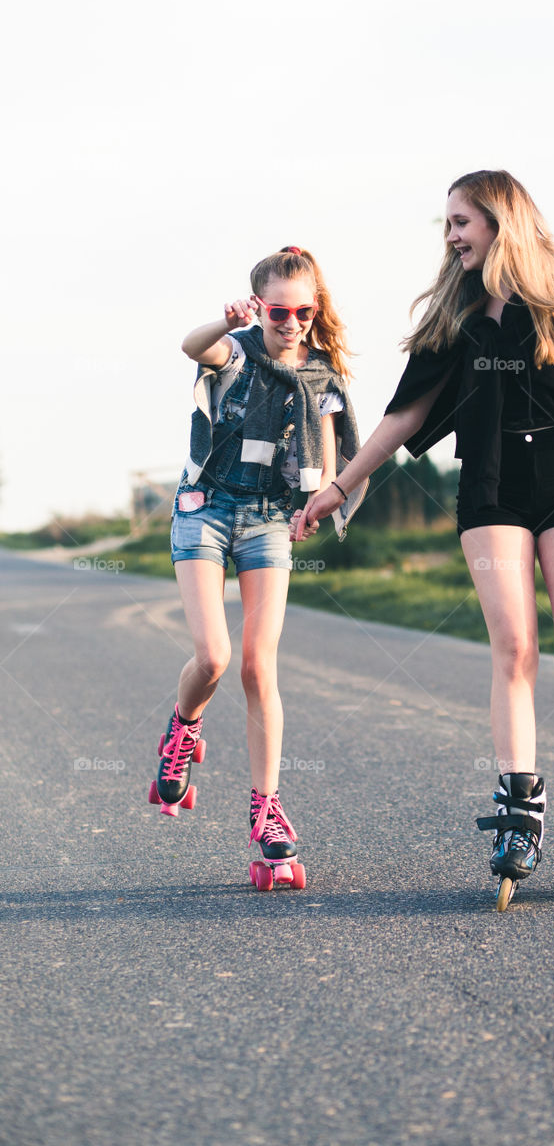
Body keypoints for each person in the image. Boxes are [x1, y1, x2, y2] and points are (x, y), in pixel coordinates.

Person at [301, 170, 554, 907]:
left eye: (461, 221)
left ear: (502, 219)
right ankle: (519, 813)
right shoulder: (458, 316)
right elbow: (403, 416)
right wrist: (339, 486)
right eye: (447, 225)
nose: (452, 235)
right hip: (491, 489)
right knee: (514, 646)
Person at [148, 246, 366, 891]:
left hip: (272, 517)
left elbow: (326, 460)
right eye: (278, 309)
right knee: (213, 656)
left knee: (256, 665)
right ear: (258, 305)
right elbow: (193, 347)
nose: (291, 321)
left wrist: (318, 503)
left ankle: (266, 810)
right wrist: (224, 322)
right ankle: (182, 730)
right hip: (203, 508)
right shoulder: (237, 348)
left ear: (314, 310)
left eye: (303, 310)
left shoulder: (323, 376)